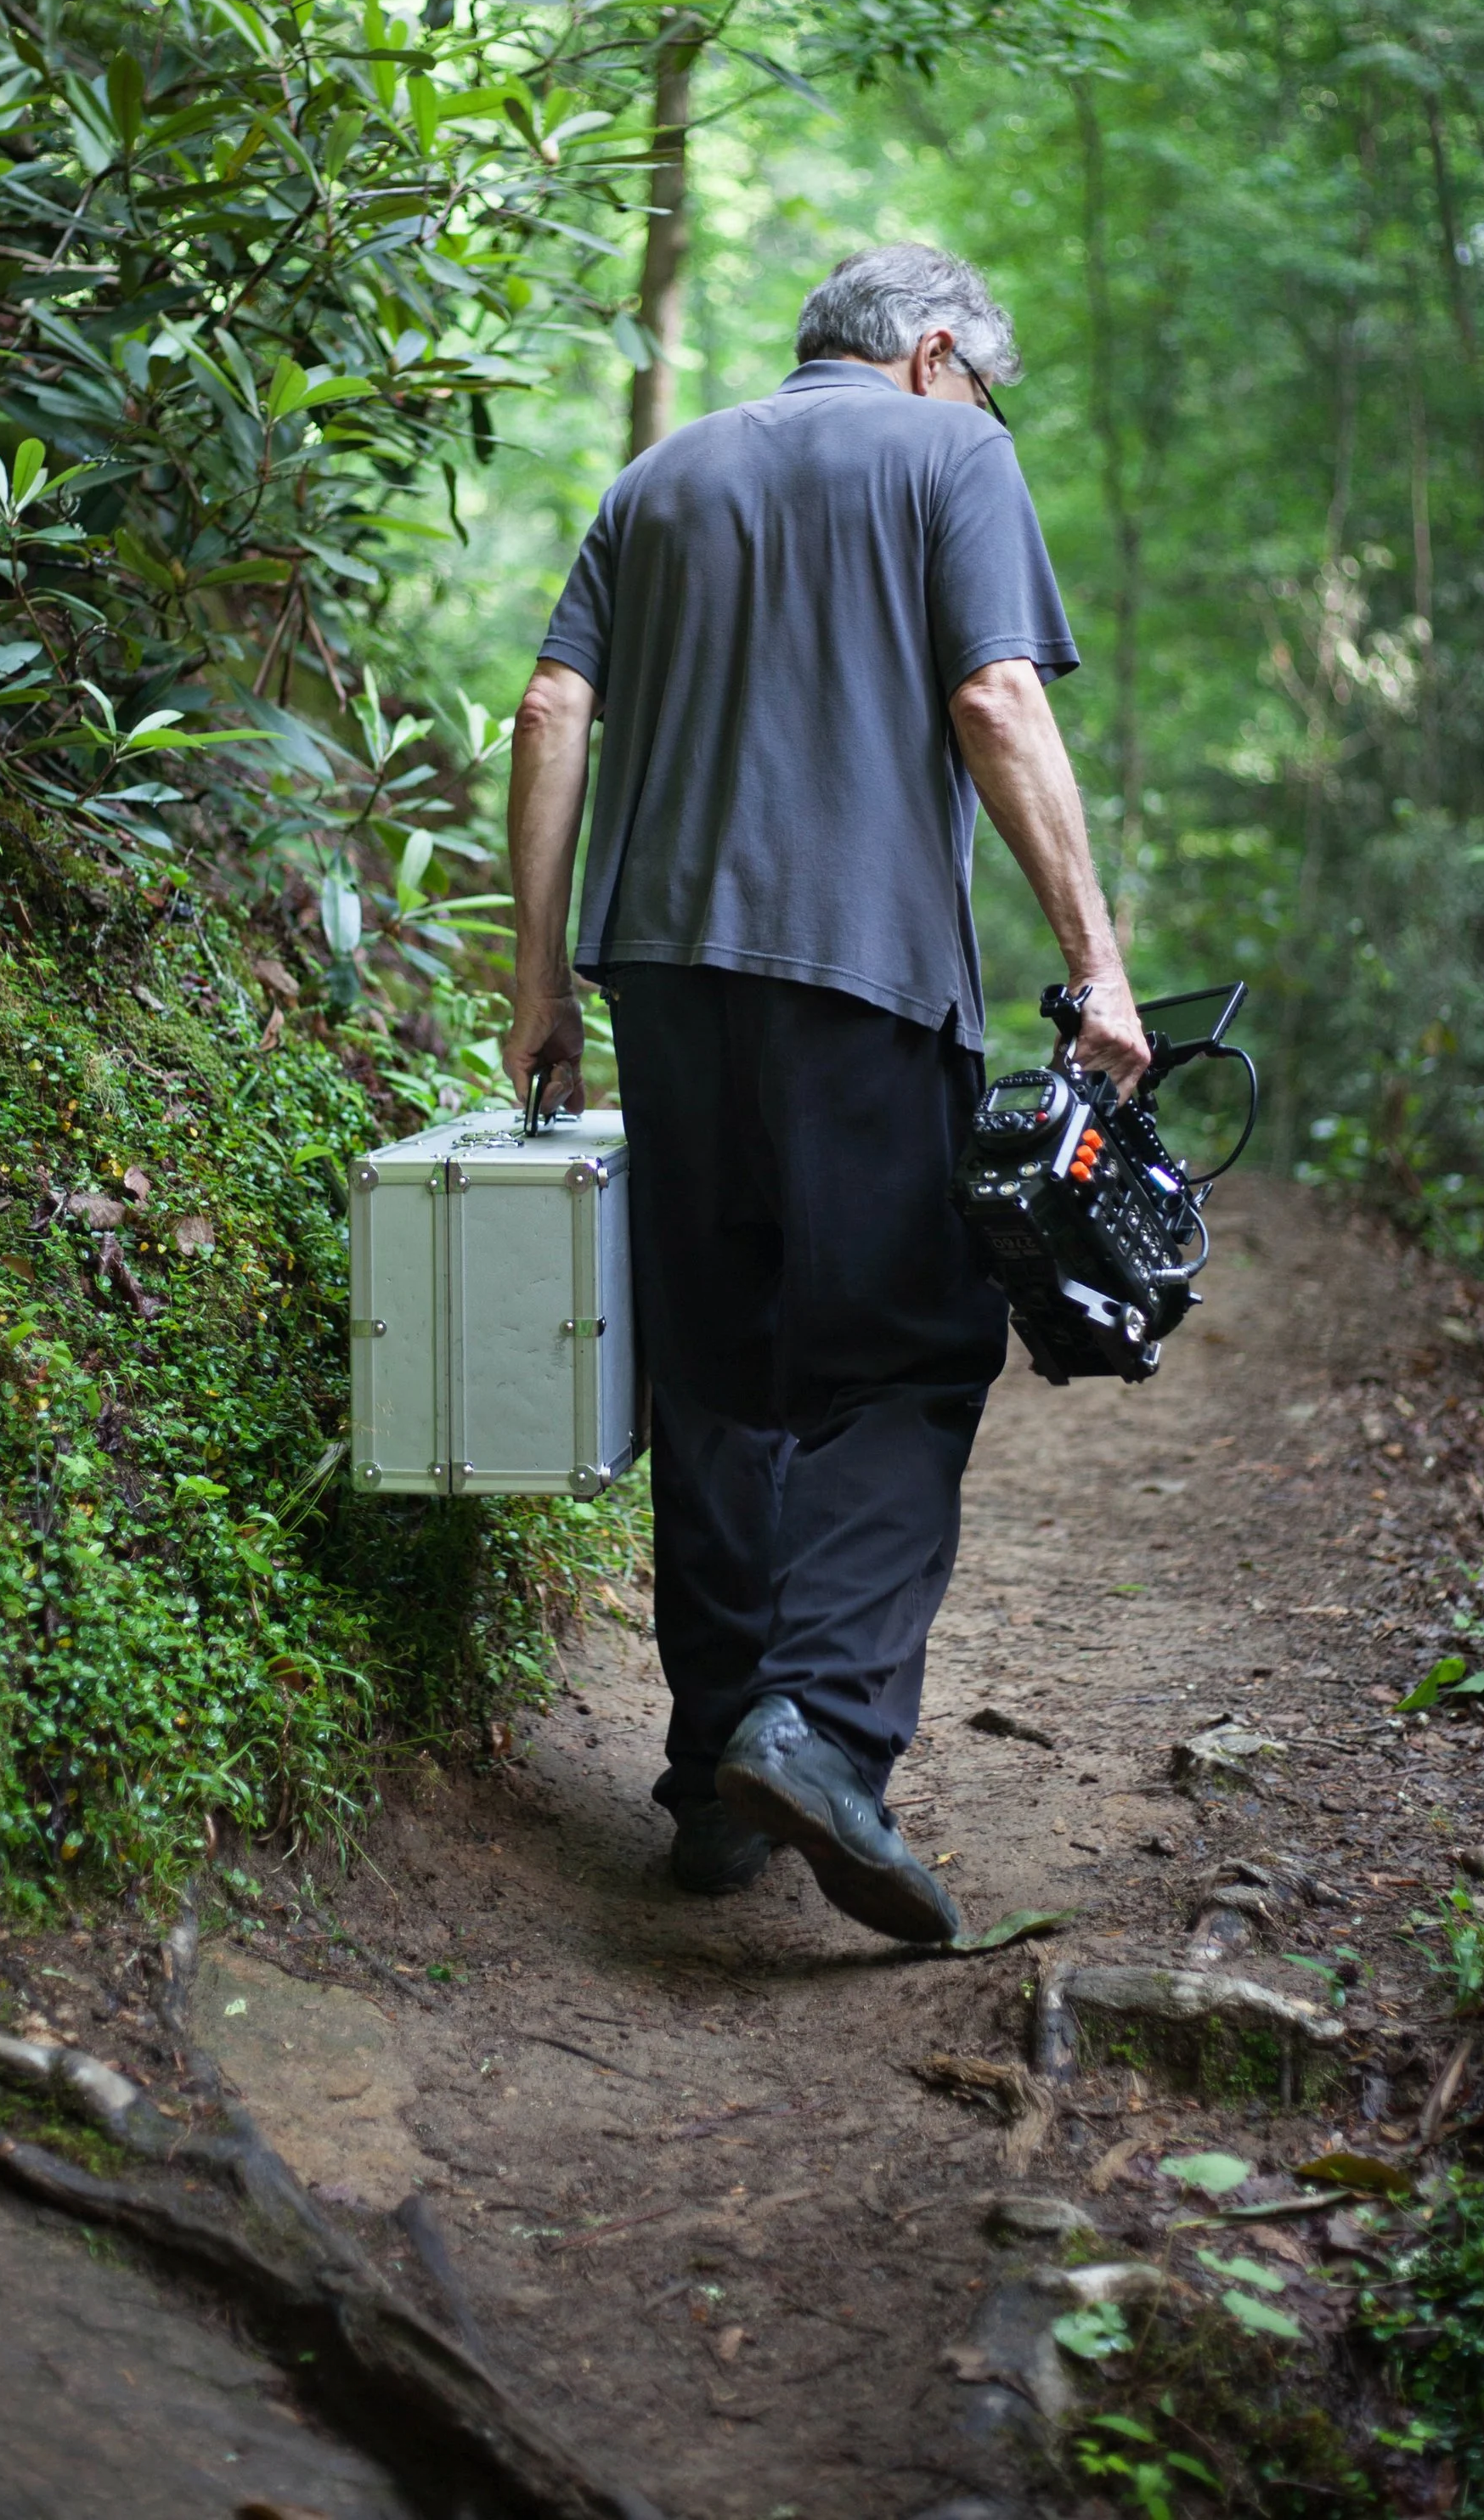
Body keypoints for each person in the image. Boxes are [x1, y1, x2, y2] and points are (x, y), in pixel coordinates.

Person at [503, 243, 1149, 1946]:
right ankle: (824, 1729)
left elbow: (549, 704)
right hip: (858, 971)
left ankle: (713, 1777)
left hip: (659, 974)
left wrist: (537, 974)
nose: (985, 406)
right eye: (982, 378)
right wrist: (1095, 965)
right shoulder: (950, 457)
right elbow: (995, 699)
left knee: (719, 1364)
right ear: (935, 352)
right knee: (907, 1354)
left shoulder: (661, 474)